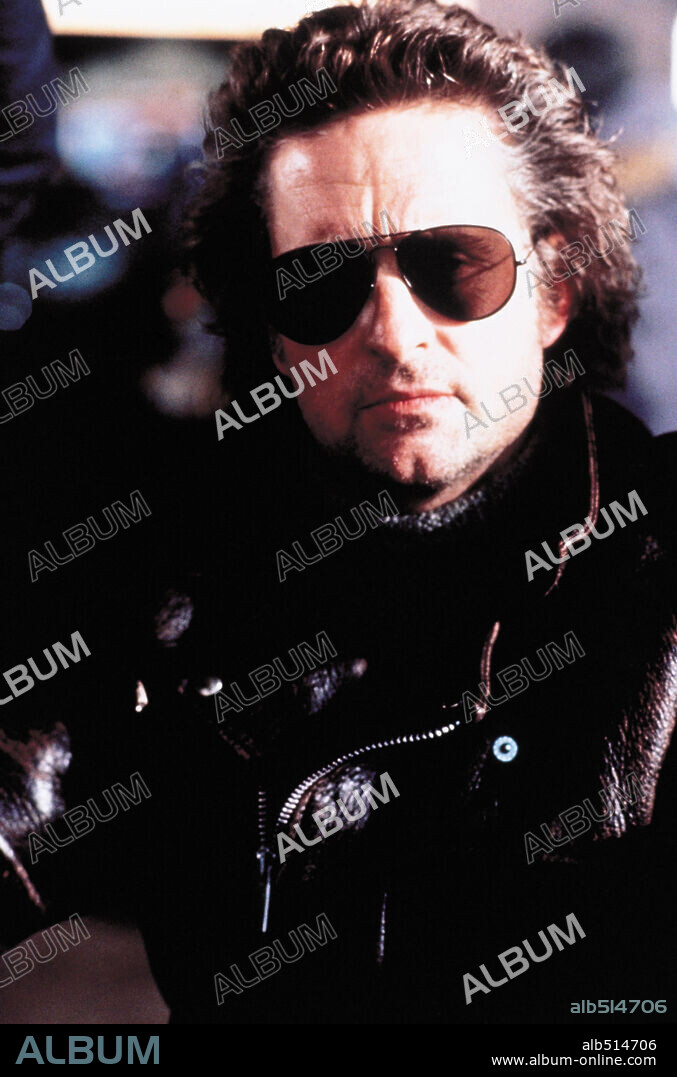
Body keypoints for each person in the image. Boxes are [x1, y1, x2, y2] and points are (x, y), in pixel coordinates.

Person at [1, 0, 675, 1026]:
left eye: (454, 265)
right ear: (273, 334)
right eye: (322, 282)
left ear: (555, 292)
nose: (394, 334)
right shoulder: (159, 577)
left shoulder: (653, 577)